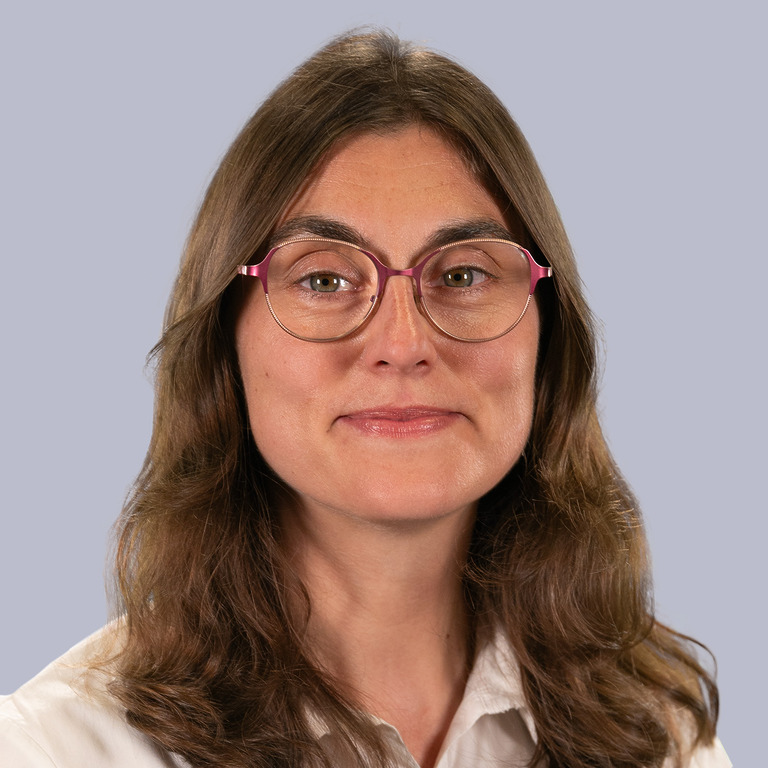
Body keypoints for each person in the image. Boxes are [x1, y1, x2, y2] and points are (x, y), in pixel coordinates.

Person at [0, 29, 730, 768]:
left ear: (549, 334)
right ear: (224, 339)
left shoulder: (661, 740)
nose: (403, 343)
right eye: (324, 280)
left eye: (463, 275)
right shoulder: (53, 751)